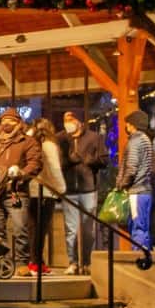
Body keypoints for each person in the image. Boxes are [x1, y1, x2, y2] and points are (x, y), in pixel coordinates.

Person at [0, 109, 41, 271]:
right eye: (4, 121)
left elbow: (35, 163)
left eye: (10, 121)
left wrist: (21, 174)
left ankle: (21, 264)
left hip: (16, 192)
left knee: (20, 229)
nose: (6, 124)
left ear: (18, 123)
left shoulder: (27, 142)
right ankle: (2, 263)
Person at [59, 110, 107, 275]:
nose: (68, 122)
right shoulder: (61, 139)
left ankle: (86, 262)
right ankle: (73, 263)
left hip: (88, 189)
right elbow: (57, 161)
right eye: (65, 119)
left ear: (79, 120)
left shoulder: (94, 137)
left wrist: (90, 161)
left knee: (88, 229)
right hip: (69, 189)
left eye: (71, 118)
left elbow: (104, 160)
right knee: (70, 229)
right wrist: (67, 160)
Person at [29, 118, 67, 275]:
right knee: (41, 229)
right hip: (45, 191)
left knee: (33, 229)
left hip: (31, 190)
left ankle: (36, 261)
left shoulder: (30, 144)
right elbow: (55, 169)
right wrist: (61, 189)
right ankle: (35, 263)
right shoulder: (49, 145)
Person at [119, 110, 155, 253]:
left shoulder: (135, 141)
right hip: (146, 191)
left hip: (137, 190)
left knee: (137, 226)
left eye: (128, 124)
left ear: (132, 125)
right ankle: (145, 253)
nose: (126, 127)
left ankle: (139, 256)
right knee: (143, 226)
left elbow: (131, 167)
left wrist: (122, 184)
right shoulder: (146, 139)